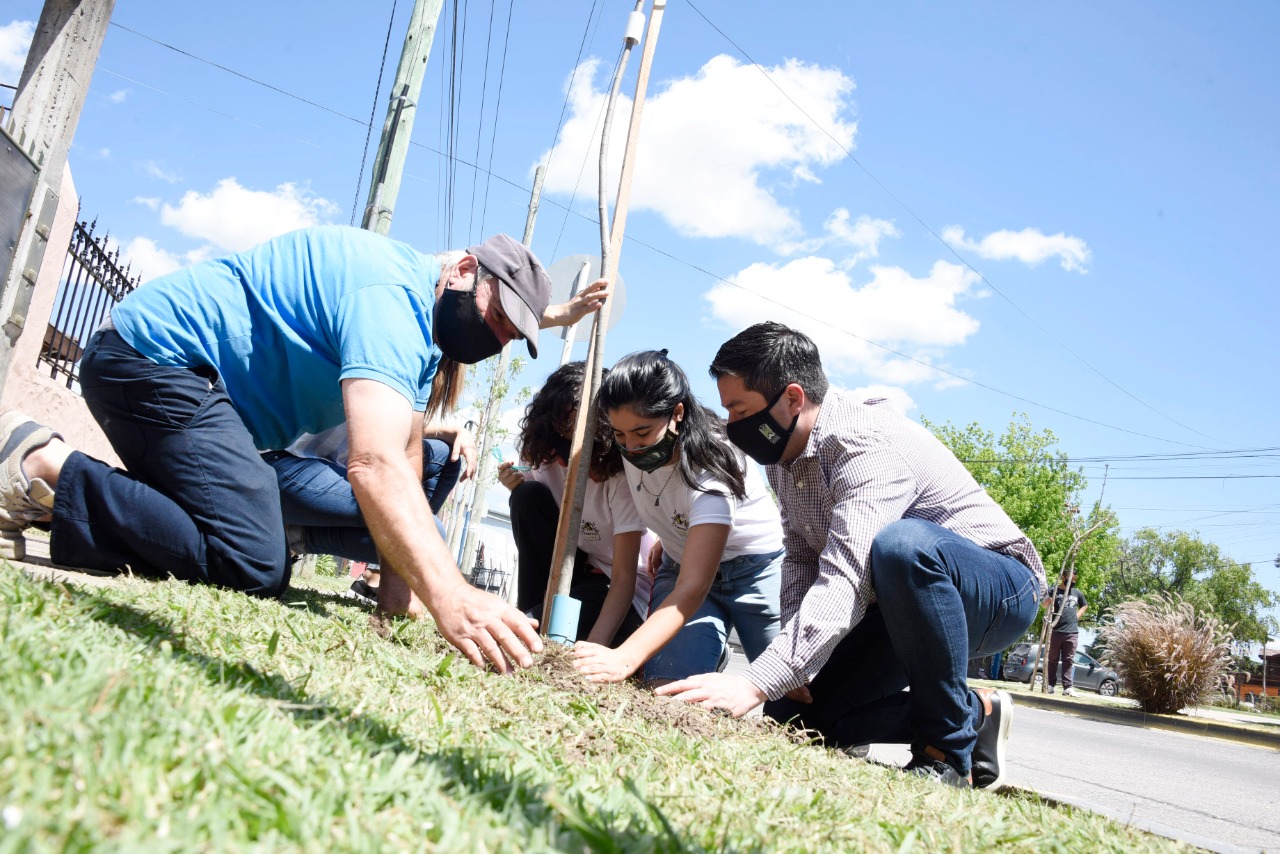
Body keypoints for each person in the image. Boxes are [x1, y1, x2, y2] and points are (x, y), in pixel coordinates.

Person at [0, 225, 606, 673]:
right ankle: (41, 462)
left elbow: (411, 454)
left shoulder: (428, 332)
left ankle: (59, 495)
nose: (493, 337)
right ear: (465, 268)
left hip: (208, 406)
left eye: (507, 335)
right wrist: (451, 597)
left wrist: (398, 604)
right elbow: (372, 464)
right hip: (155, 364)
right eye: (495, 315)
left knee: (252, 550)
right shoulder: (391, 299)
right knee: (253, 565)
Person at [656, 322, 1046, 791]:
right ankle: (974, 713)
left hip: (996, 590)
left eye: (739, 409)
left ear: (792, 399)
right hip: (898, 604)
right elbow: (800, 559)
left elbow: (845, 576)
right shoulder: (786, 455)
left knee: (902, 546)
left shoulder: (864, 446)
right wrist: (795, 669)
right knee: (796, 720)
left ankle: (945, 751)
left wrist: (755, 681)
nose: (734, 426)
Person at [573, 350, 784, 686]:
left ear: (678, 413)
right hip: (680, 563)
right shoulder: (629, 447)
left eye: (642, 434)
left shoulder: (715, 464)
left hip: (755, 570)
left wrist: (623, 658)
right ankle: (705, 647)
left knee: (790, 692)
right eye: (620, 434)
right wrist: (669, 535)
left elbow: (694, 586)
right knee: (667, 687)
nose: (631, 447)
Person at [498, 360, 649, 647]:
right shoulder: (545, 458)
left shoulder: (621, 477)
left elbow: (624, 579)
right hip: (575, 570)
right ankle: (532, 612)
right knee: (526, 496)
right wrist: (512, 481)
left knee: (540, 630)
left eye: (587, 425)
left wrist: (594, 648)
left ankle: (538, 623)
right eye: (565, 423)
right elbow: (532, 514)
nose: (574, 435)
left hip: (614, 585)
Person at [1044, 570, 1087, 696]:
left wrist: (1077, 616)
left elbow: (1084, 605)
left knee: (1068, 660)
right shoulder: (1054, 591)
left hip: (1072, 632)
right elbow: (1044, 605)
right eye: (1070, 579)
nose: (1073, 582)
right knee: (1052, 659)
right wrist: (1047, 603)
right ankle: (1050, 685)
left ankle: (1067, 687)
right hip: (1056, 630)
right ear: (1063, 577)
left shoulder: (1077, 593)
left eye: (1074, 580)